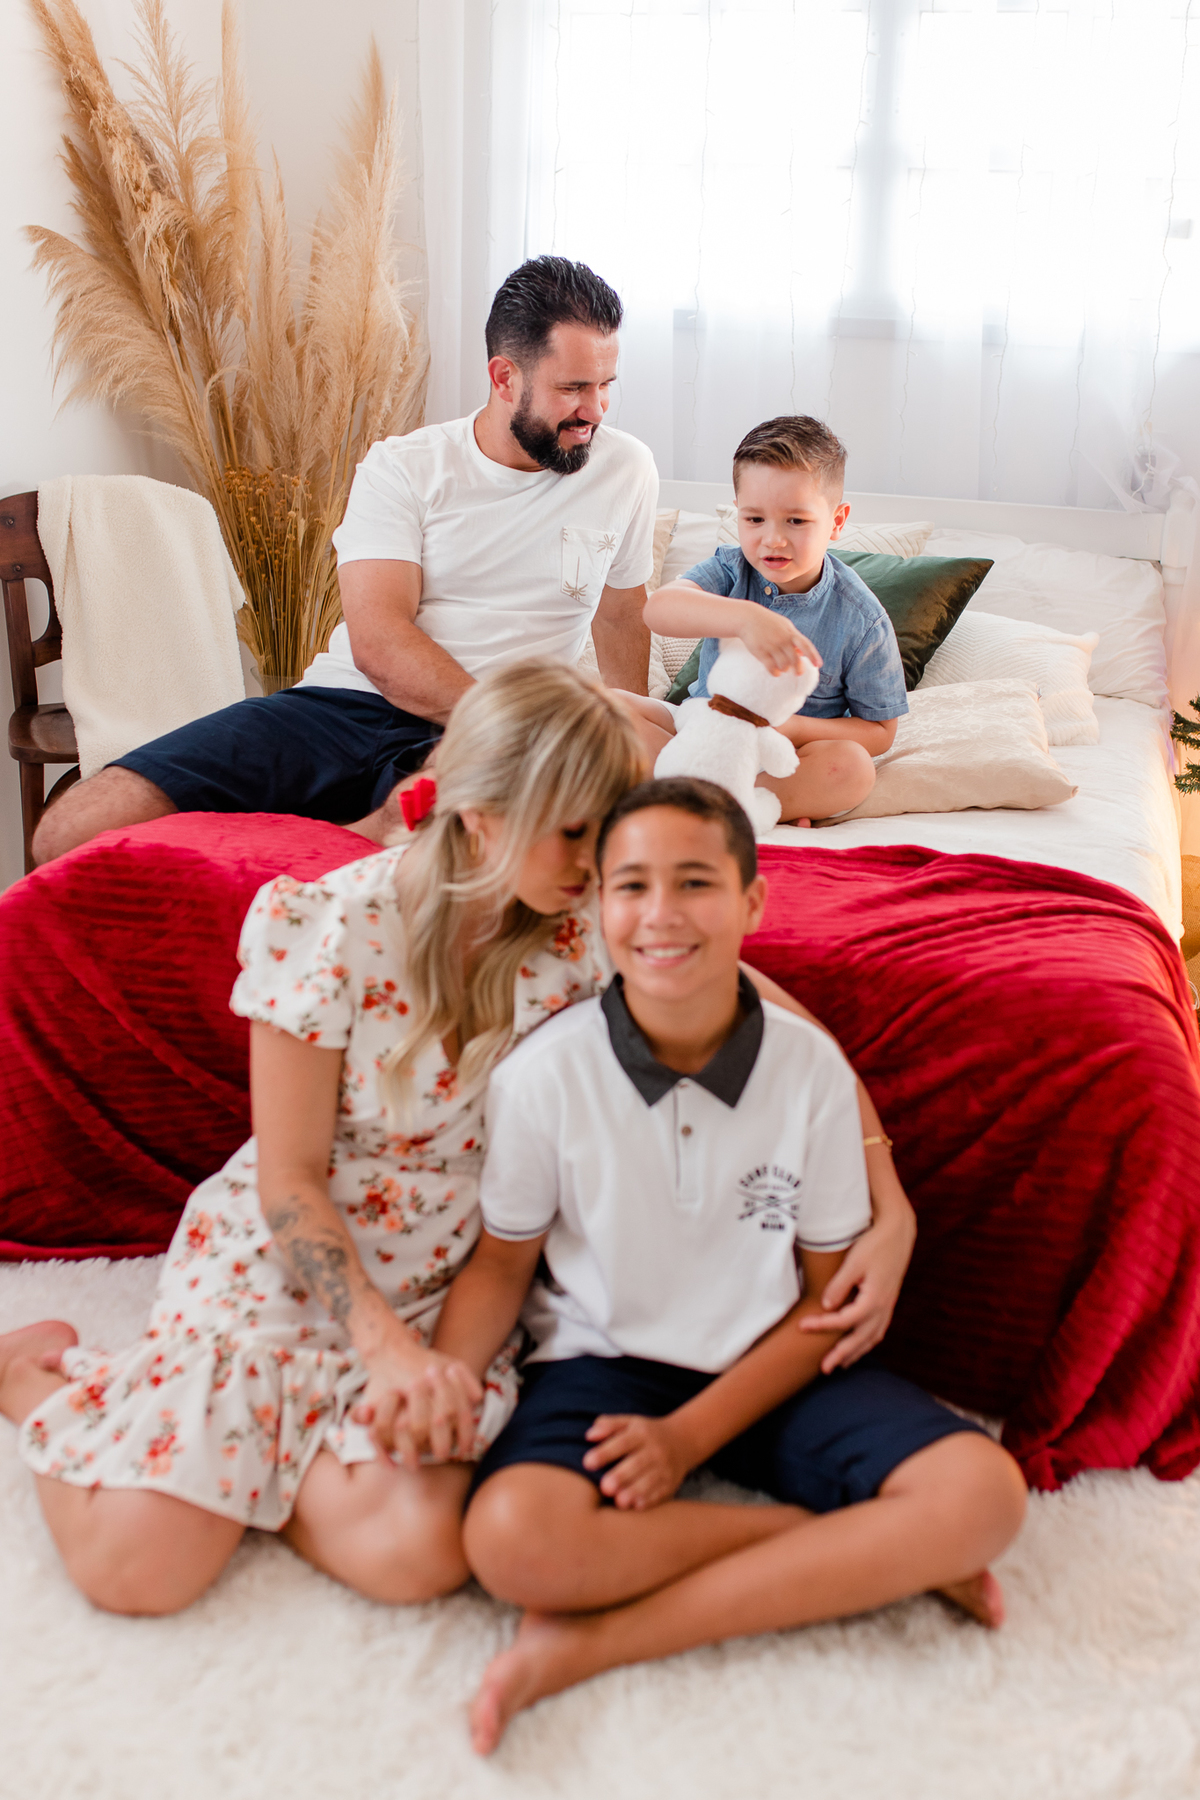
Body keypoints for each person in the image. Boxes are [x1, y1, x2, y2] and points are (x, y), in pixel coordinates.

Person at [0, 673, 912, 1615]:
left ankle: (238, 1461)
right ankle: (39, 1382)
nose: (597, 861)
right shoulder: (331, 926)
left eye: (608, 826)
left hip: (458, 1279)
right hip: (294, 1261)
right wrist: (384, 1351)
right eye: (572, 831)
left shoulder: (586, 931)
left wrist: (888, 1200)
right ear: (479, 812)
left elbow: (780, 1023)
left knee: (418, 1558)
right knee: (139, 1571)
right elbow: (288, 1180)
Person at [427, 778, 1027, 1753]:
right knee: (510, 1543)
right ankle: (863, 1554)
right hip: (600, 1365)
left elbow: (827, 1301)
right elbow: (501, 1268)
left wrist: (687, 1439)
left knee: (983, 1494)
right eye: (632, 886)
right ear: (598, 908)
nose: (661, 914)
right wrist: (446, 1381)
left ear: (752, 903)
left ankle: (596, 1643)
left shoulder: (809, 1070)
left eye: (696, 882)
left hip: (776, 1360)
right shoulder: (543, 1074)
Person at [32, 257, 659, 865]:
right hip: (345, 707)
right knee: (72, 831)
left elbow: (621, 616)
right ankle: (308, 853)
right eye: (573, 388)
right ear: (504, 378)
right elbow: (380, 642)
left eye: (607, 385)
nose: (596, 410)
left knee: (436, 857)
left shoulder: (625, 469)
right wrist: (500, 722)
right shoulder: (405, 467)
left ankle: (302, 864)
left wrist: (616, 764)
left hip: (487, 743)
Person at [621, 416, 908, 825]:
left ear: (837, 521)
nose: (773, 539)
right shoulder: (731, 568)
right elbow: (659, 610)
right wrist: (745, 618)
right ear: (738, 513)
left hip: (784, 755)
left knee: (854, 768)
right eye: (755, 520)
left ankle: (718, 799)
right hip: (700, 728)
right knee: (605, 707)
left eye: (796, 520)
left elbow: (880, 732)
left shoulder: (862, 618)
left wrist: (794, 728)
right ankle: (718, 799)